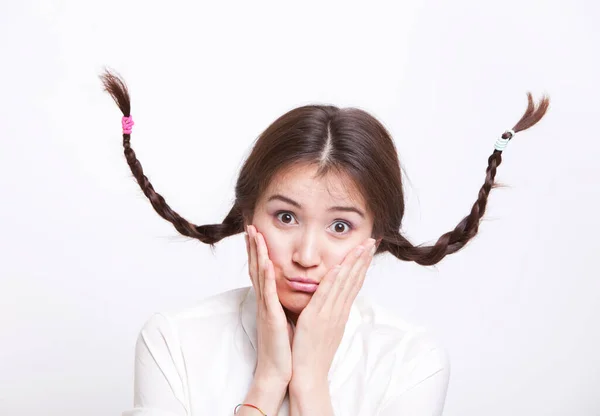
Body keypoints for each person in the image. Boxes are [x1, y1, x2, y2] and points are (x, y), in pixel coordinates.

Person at [100, 69, 549, 416]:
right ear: (248, 215)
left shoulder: (411, 360)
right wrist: (267, 382)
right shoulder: (173, 340)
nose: (306, 256)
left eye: (340, 226)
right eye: (286, 217)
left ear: (375, 238)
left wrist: (310, 383)